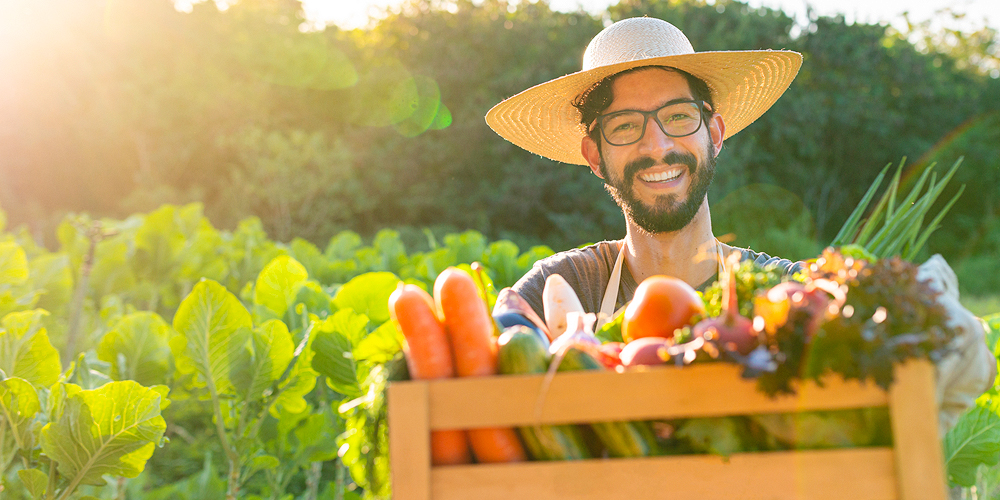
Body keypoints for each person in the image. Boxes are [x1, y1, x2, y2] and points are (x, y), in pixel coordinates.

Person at [485, 17, 804, 319]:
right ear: (595, 155)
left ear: (715, 135)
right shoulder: (554, 294)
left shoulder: (789, 294)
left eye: (678, 116)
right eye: (624, 125)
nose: (657, 147)